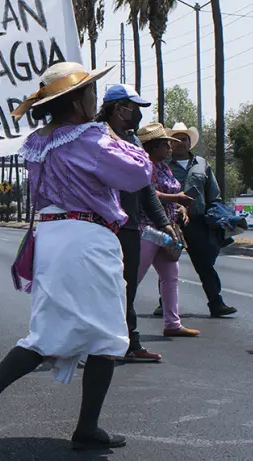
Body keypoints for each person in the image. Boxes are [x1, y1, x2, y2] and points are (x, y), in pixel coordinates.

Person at [0, 62, 153, 451]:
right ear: (79, 100)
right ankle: (87, 428)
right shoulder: (91, 138)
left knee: (46, 330)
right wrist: (120, 136)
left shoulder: (38, 142)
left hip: (50, 236)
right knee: (107, 333)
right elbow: (138, 175)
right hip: (88, 236)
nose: (95, 99)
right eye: (90, 93)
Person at [96, 84, 175, 363]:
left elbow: (146, 188)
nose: (138, 115)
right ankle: (93, 345)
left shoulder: (132, 142)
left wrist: (164, 223)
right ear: (120, 109)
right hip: (100, 226)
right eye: (135, 109)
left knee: (126, 288)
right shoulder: (95, 138)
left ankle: (129, 343)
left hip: (128, 228)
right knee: (98, 288)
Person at [166, 123, 237, 318]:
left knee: (205, 263)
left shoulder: (202, 164)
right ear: (170, 144)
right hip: (172, 222)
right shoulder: (163, 166)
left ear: (190, 142)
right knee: (168, 263)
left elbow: (213, 194)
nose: (181, 143)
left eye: (184, 139)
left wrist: (218, 215)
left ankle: (216, 303)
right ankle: (164, 303)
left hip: (197, 222)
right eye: (176, 139)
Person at [137, 123, 200, 337]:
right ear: (152, 147)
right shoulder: (144, 165)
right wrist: (177, 198)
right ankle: (115, 325)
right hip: (147, 229)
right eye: (165, 145)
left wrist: (181, 206)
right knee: (132, 278)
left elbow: (172, 189)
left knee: (170, 276)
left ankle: (172, 324)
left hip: (167, 229)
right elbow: (148, 194)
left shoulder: (164, 167)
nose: (169, 149)